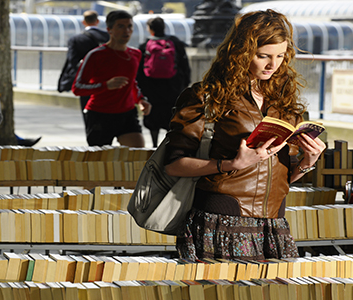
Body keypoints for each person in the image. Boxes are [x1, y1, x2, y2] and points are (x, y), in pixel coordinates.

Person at [164, 9, 326, 260]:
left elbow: (282, 176)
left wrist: (308, 162)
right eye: (263, 56)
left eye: (281, 56)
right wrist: (232, 164)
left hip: (274, 225)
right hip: (221, 222)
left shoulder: (285, 103)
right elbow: (173, 165)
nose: (273, 65)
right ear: (241, 53)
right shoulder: (206, 97)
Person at [72, 10, 151, 147]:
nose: (126, 31)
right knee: (99, 163)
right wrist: (105, 85)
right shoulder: (95, 55)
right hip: (99, 115)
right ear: (109, 30)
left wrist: (141, 99)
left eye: (129, 26)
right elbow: (77, 87)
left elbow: (131, 82)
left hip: (127, 114)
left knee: (138, 158)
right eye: (120, 26)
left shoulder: (135, 54)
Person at [136, 17, 191, 147]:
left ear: (150, 29)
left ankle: (154, 145)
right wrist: (184, 84)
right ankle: (168, 145)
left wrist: (142, 88)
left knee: (153, 117)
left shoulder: (145, 45)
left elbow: (139, 70)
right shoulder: (175, 43)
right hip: (172, 87)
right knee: (170, 117)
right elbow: (184, 66)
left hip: (152, 88)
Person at [57, 10, 110, 123]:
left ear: (83, 22)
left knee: (88, 110)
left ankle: (91, 132)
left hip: (86, 82)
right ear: (97, 21)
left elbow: (72, 60)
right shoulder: (108, 37)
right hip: (107, 80)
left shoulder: (76, 39)